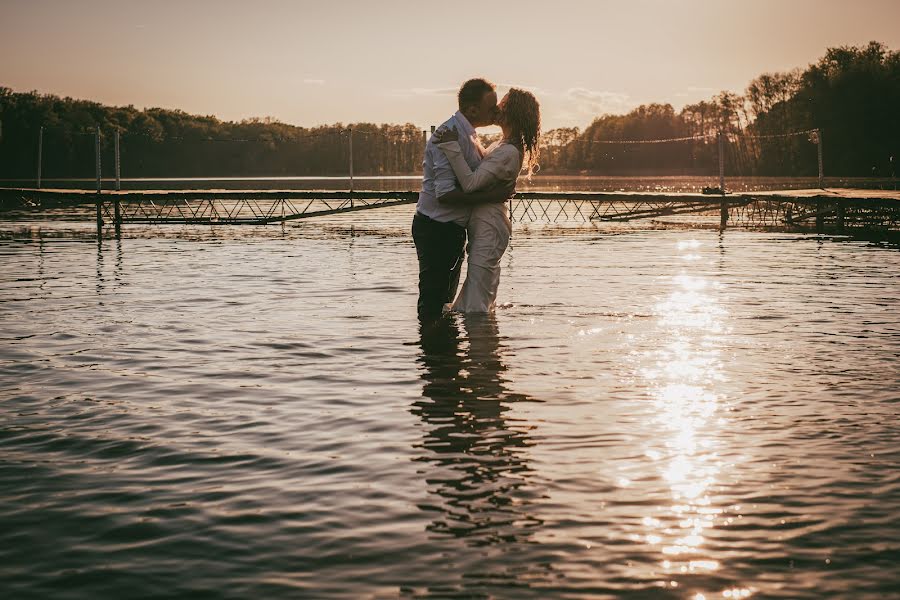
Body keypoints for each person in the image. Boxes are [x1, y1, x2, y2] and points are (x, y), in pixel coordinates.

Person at [430, 88, 541, 313]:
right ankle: (480, 343)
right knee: (475, 296)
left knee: (476, 303)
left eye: (503, 104)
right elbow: (480, 172)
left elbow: (470, 184)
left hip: (490, 226)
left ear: (513, 113)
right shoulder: (503, 145)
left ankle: (481, 344)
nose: (496, 108)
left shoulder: (508, 152)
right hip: (485, 224)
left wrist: (450, 147)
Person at [412, 78, 513, 322]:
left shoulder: (468, 135)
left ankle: (444, 356)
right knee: (434, 301)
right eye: (492, 107)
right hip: (437, 228)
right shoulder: (448, 137)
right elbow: (445, 195)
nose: (497, 111)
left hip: (451, 228)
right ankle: (433, 353)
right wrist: (494, 196)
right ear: (472, 110)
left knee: (445, 301)